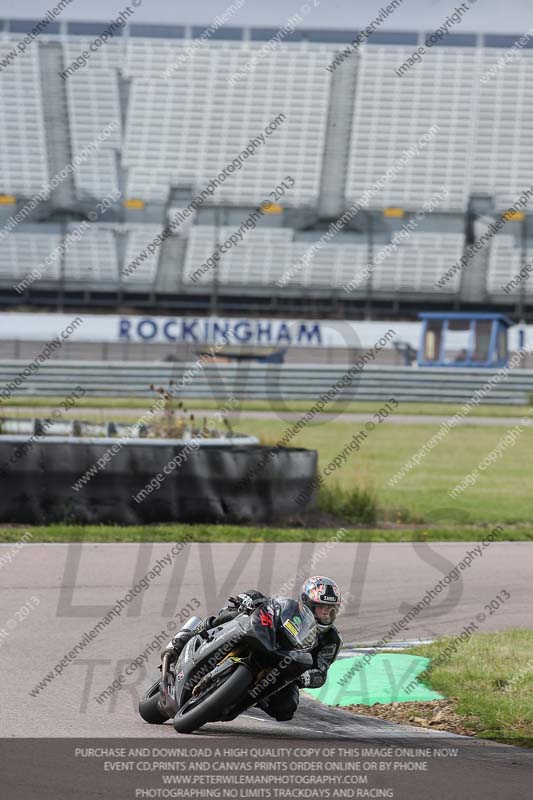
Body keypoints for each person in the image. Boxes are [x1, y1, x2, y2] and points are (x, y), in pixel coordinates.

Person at [162, 576, 343, 721]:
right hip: (263, 640)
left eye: (330, 609)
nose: (326, 613)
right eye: (321, 608)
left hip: (283, 669)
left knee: (285, 710)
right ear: (307, 603)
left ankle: (246, 697)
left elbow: (321, 671)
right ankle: (188, 635)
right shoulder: (289, 607)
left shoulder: (331, 640)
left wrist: (306, 677)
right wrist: (249, 598)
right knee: (234, 612)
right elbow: (268, 603)